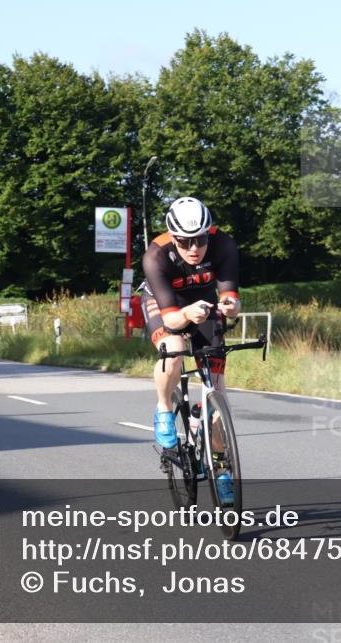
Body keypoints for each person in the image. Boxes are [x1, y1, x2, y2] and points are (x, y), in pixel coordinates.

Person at [141, 197, 240, 504]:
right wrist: (186, 315)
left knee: (217, 393)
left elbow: (231, 301)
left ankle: (221, 470)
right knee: (173, 349)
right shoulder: (156, 255)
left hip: (203, 303)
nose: (194, 249)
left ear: (208, 233)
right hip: (165, 305)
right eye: (185, 242)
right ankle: (163, 408)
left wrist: (232, 307)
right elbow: (171, 318)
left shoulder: (223, 245)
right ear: (173, 237)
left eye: (199, 240)